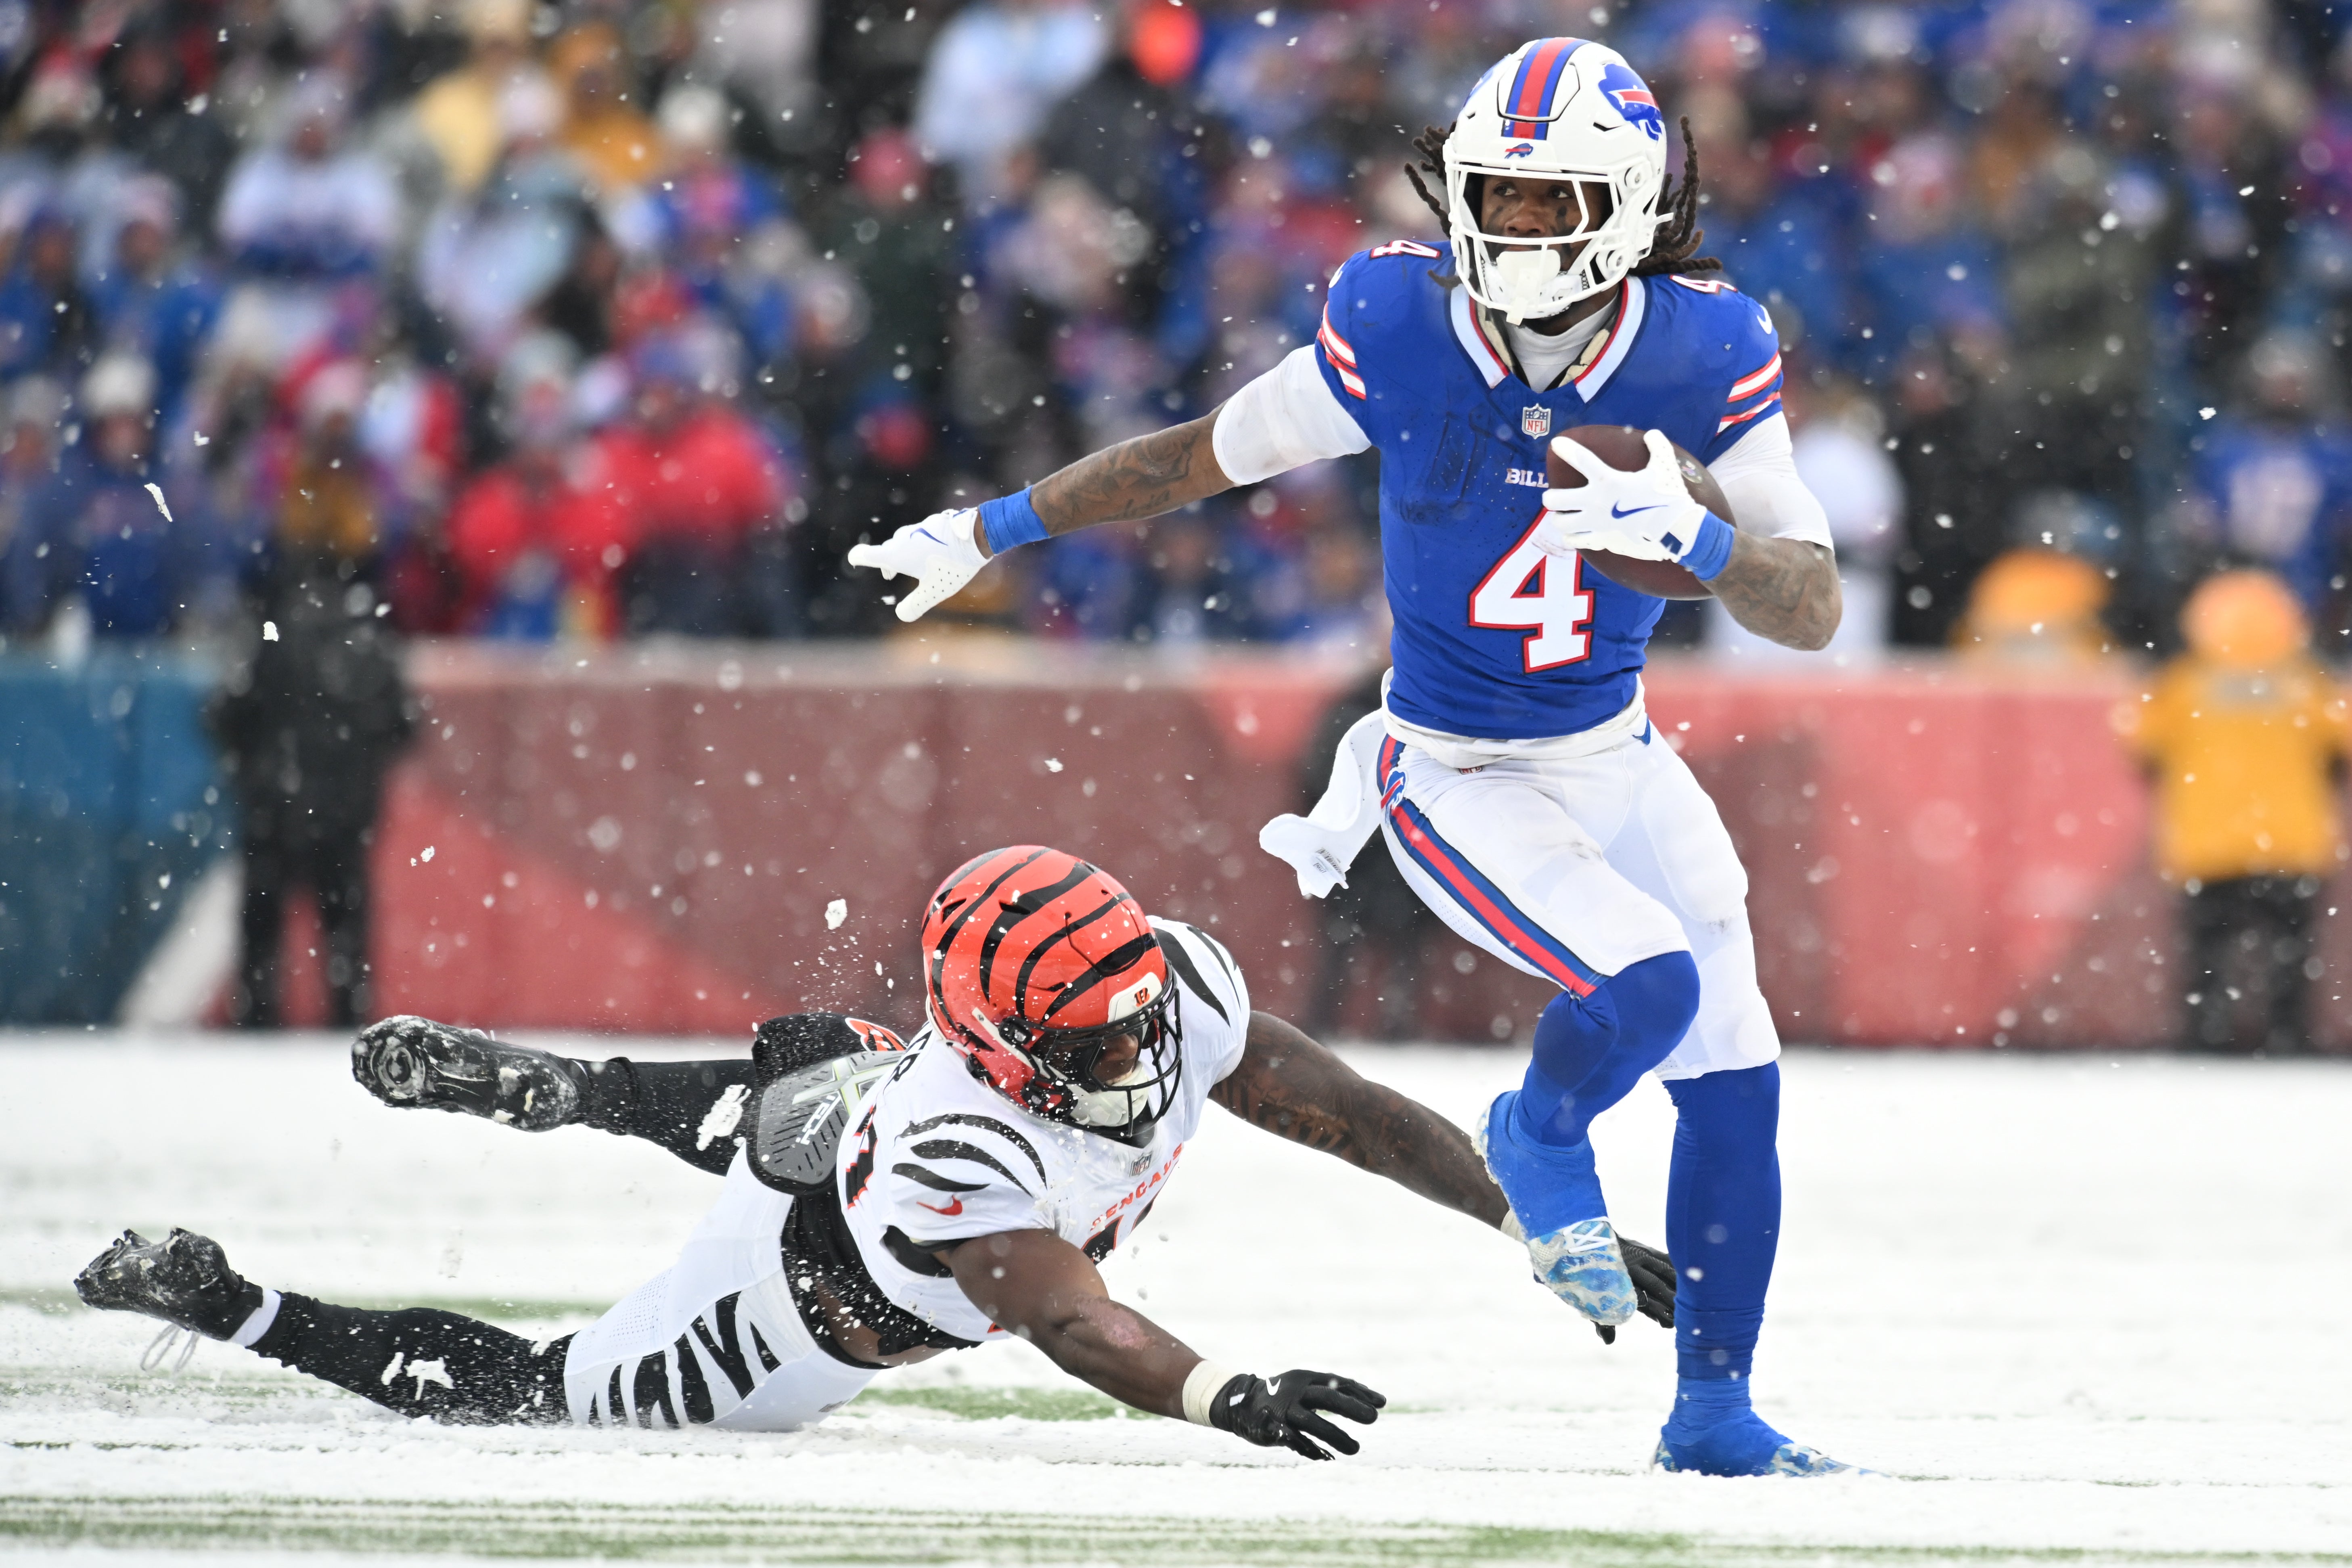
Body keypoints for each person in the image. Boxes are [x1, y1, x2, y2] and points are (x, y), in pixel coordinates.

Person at [846, 40, 1852, 1477]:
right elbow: (1205, 452)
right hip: (1451, 765)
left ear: (1623, 206)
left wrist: (1689, 536)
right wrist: (992, 526)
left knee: (1733, 1070)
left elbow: (1804, 602)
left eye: (1543, 201)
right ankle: (1536, 1127)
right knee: (1649, 983)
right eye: (1490, 197)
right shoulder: (1395, 319)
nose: (1506, 231)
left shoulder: (1705, 350)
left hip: (1613, 752)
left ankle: (1709, 1414)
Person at [75, 846, 1676, 1448]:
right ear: (998, 1040)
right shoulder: (959, 1136)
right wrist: (1224, 1391)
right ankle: (233, 1302)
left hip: (874, 1112)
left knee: (802, 1089)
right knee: (540, 1388)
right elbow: (1067, 1312)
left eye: (1134, 1011)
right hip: (801, 1306)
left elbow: (1367, 1120)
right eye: (1090, 1032)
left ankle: (566, 1088)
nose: (1137, 1044)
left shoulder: (1162, 991)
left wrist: (1537, 1211)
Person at [2115, 570, 2351, 1053]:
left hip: (2208, 845)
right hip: (2291, 844)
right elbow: (2341, 747)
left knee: (2207, 957)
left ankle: (2205, 1040)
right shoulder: (2306, 684)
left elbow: (2140, 746)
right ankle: (2287, 1041)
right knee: (2290, 959)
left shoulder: (2184, 684)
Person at [206, 580, 415, 1029]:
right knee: (346, 932)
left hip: (272, 811)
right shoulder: (368, 645)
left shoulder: (268, 638)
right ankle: (351, 1027)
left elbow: (224, 716)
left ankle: (257, 1021)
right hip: (344, 816)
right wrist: (357, 769)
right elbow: (405, 725)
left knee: (263, 927)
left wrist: (257, 770)